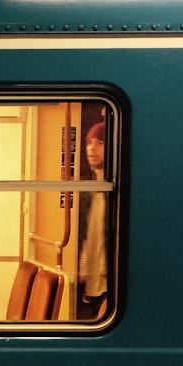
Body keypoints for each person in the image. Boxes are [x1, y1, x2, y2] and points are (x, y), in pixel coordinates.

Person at [78, 122, 108, 319]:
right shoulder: (89, 192)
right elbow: (87, 236)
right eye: (89, 142)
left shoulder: (114, 192)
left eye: (99, 142)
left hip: (108, 282)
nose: (91, 148)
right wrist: (82, 268)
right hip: (91, 281)